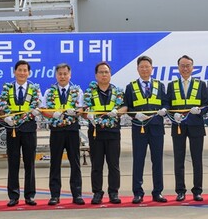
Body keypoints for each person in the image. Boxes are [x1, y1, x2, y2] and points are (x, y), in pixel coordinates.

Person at [123, 55, 168, 203]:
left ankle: (158, 192)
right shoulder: (131, 87)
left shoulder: (159, 85)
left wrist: (164, 110)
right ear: (137, 69)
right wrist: (136, 114)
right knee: (138, 160)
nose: (144, 69)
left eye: (147, 67)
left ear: (152, 68)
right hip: (139, 127)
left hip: (156, 128)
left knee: (157, 160)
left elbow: (166, 103)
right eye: (141, 67)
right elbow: (127, 107)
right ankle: (138, 192)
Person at [0, 60, 41, 206]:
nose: (22, 73)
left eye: (25, 70)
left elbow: (37, 105)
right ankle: (13, 195)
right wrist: (7, 117)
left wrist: (35, 111)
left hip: (29, 129)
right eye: (20, 70)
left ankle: (29, 195)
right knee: (13, 162)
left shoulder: (34, 89)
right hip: (12, 130)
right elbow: (3, 106)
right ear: (14, 72)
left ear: (29, 73)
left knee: (29, 162)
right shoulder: (7, 88)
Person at [42, 63, 84, 205]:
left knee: (75, 163)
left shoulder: (77, 91)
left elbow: (82, 109)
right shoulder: (49, 92)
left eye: (65, 74)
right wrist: (53, 114)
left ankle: (77, 194)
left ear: (70, 75)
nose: (63, 76)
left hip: (72, 130)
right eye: (60, 74)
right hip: (57, 131)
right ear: (56, 75)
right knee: (55, 163)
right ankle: (55, 195)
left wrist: (76, 112)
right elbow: (44, 111)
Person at [166, 55, 206, 201]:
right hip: (178, 126)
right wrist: (172, 113)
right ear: (178, 68)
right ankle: (180, 190)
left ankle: (197, 190)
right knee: (179, 159)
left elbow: (207, 104)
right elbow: (167, 104)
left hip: (196, 126)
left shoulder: (201, 84)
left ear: (192, 67)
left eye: (188, 65)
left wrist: (200, 110)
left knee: (197, 159)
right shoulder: (172, 85)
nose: (185, 68)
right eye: (182, 65)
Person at [85, 61, 125, 204]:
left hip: (113, 132)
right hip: (96, 132)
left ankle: (113, 192)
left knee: (113, 164)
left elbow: (124, 107)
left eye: (106, 72)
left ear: (110, 74)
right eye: (101, 72)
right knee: (97, 165)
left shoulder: (117, 91)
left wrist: (117, 112)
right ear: (96, 75)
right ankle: (97, 193)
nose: (104, 75)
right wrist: (87, 114)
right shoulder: (89, 92)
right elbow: (83, 109)